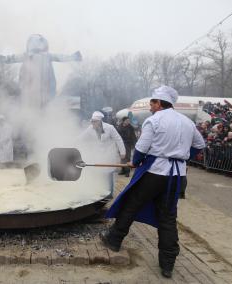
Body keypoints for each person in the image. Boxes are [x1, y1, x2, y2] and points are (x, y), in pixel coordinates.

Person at [101, 86, 205, 279]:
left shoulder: (154, 120)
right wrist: (182, 158)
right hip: (177, 176)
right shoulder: (187, 122)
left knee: (131, 205)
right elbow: (200, 145)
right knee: (167, 217)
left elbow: (141, 148)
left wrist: (137, 161)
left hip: (155, 173)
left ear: (159, 103)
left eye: (152, 103)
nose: (150, 107)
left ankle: (113, 240)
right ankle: (167, 264)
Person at [78, 111, 126, 198]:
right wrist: (70, 143)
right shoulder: (90, 128)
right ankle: (100, 193)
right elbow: (81, 138)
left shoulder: (110, 128)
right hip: (98, 156)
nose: (92, 123)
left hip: (109, 155)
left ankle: (109, 194)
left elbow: (118, 139)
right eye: (92, 121)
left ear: (99, 121)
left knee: (108, 175)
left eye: (94, 121)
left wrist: (122, 152)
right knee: (99, 175)